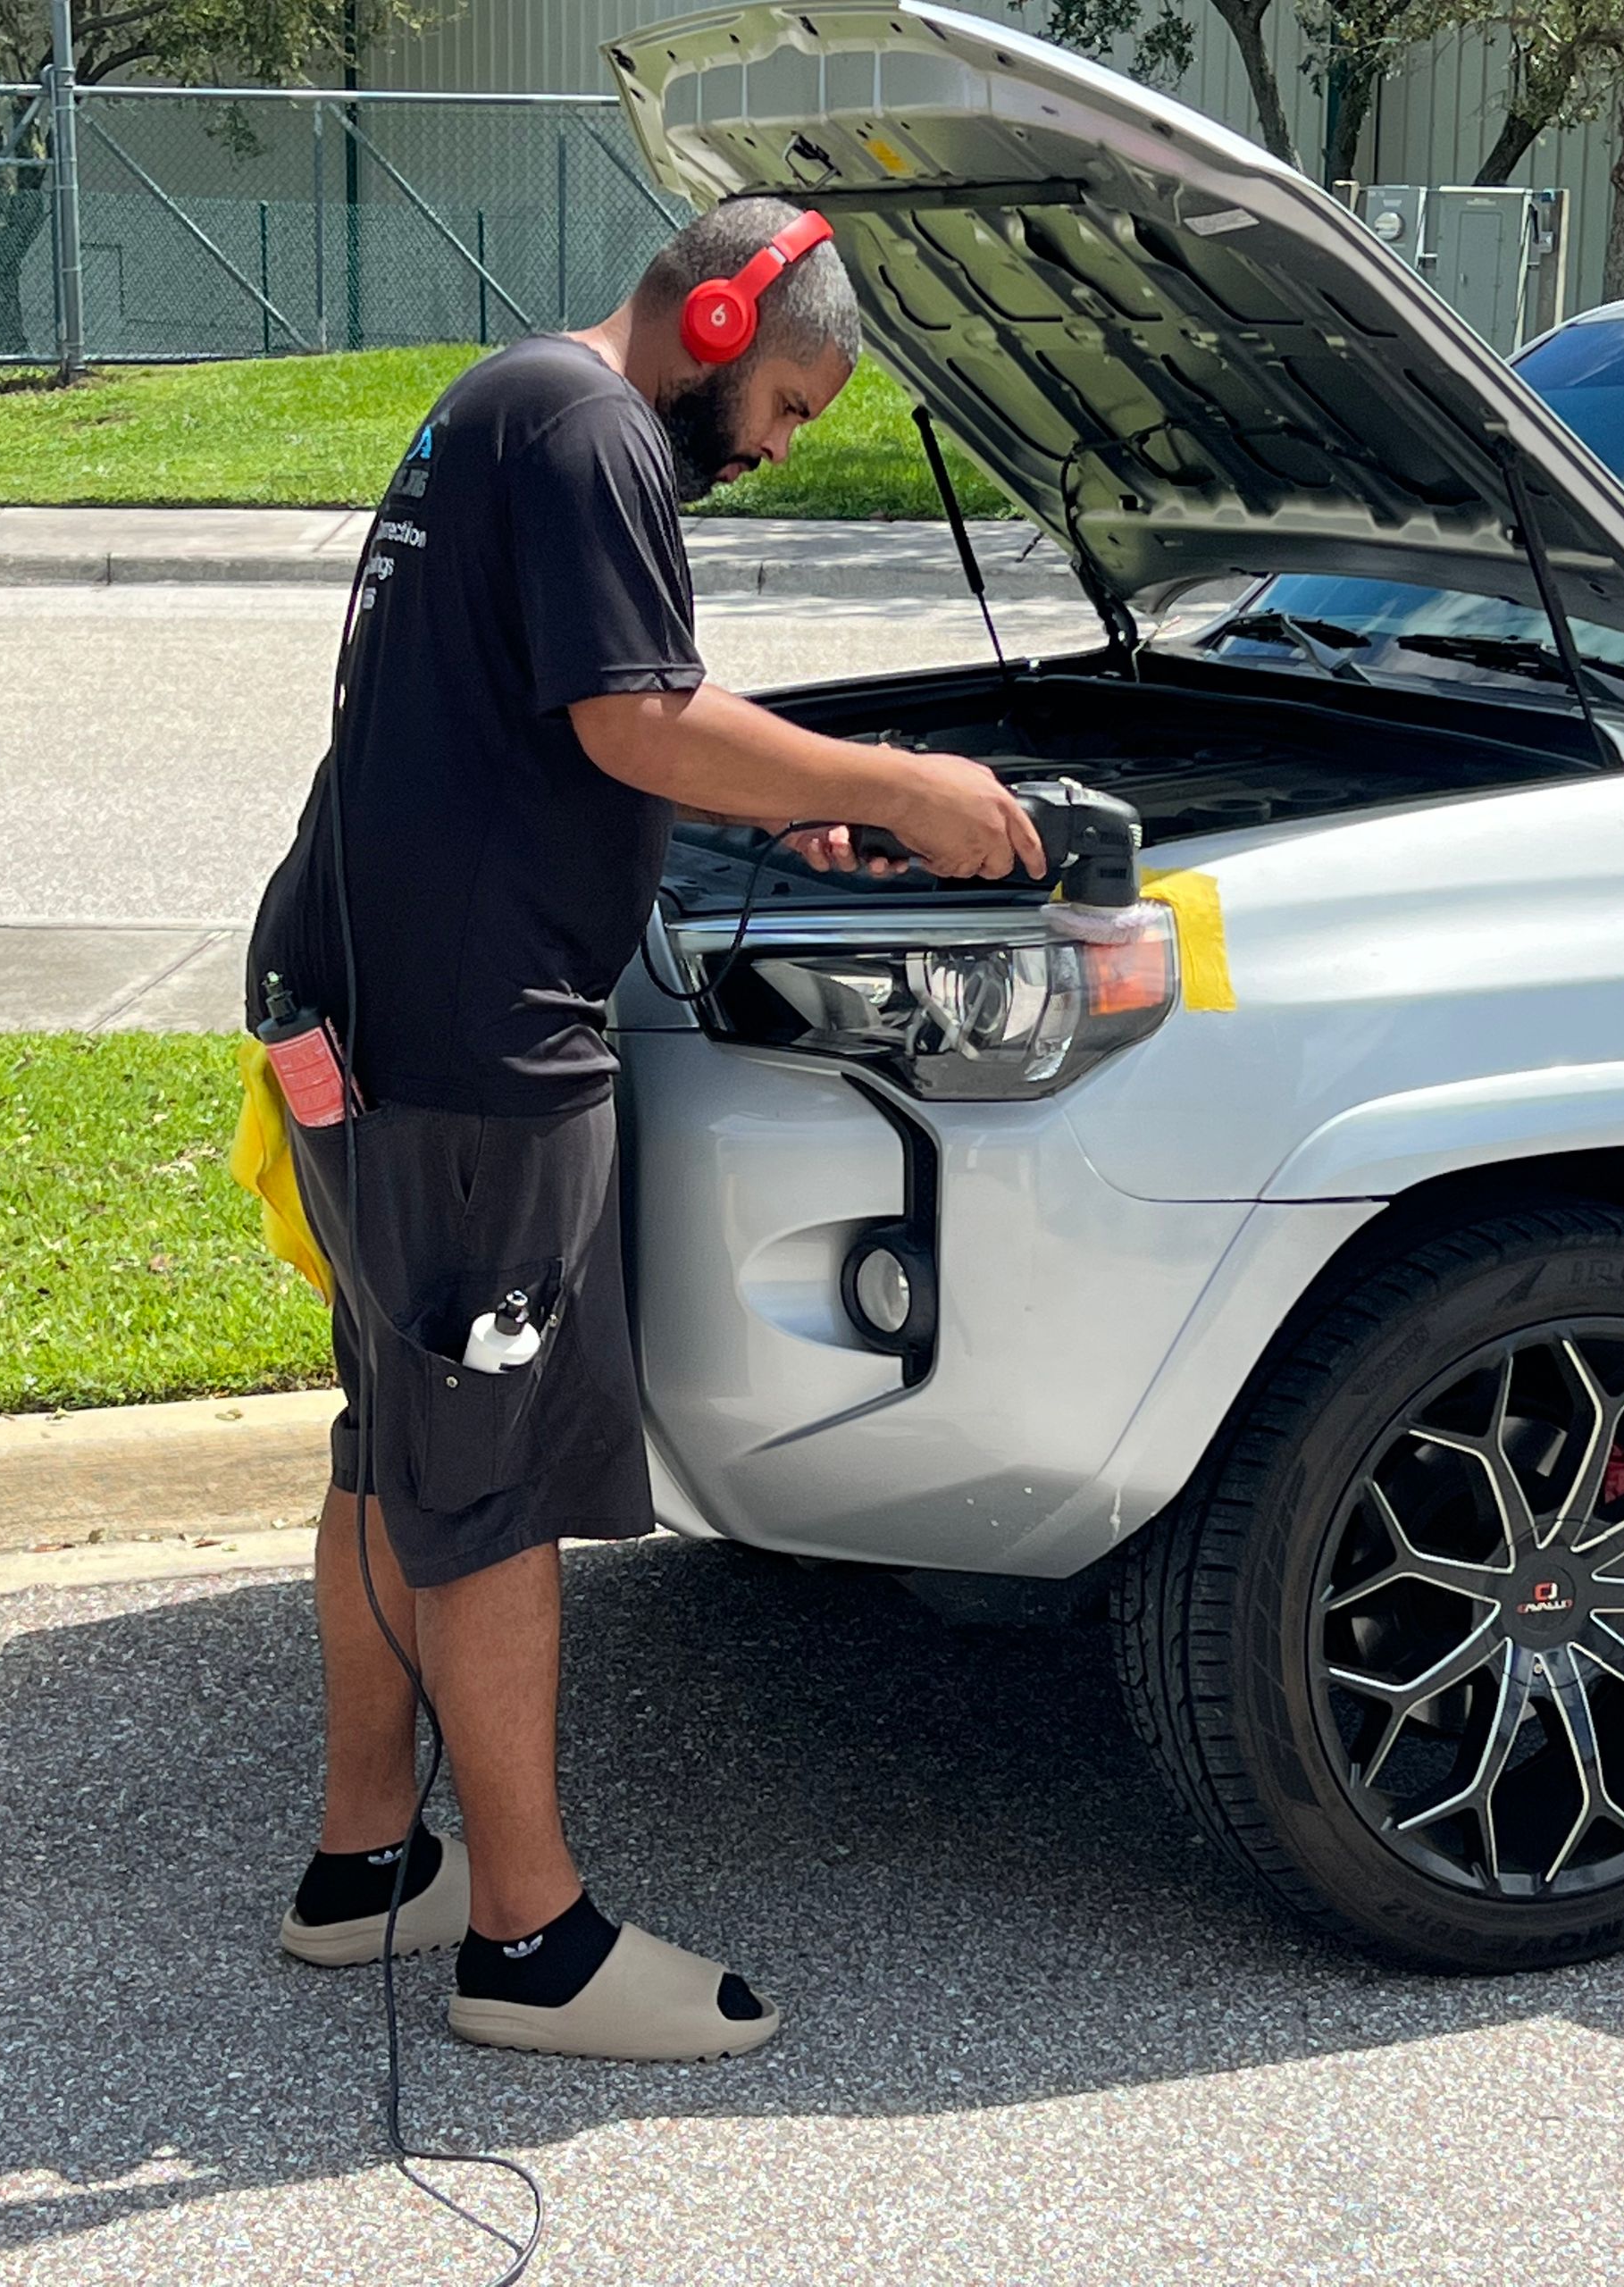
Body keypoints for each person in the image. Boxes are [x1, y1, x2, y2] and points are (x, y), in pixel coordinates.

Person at [247, 195, 1044, 2065]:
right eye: (787, 405)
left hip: (356, 1006)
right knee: (491, 1480)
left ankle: (367, 1859)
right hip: (468, 1045)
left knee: (401, 1441)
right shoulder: (597, 428)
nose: (779, 449)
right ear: (720, 319)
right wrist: (900, 788)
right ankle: (529, 1942)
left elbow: (573, 719)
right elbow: (634, 721)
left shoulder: (510, 402)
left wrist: (774, 800)